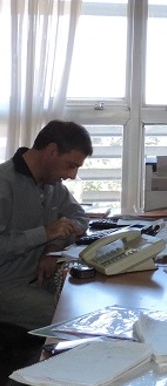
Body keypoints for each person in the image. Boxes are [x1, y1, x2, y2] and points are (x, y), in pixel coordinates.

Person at [0, 120, 92, 330]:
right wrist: (44, 234)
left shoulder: (53, 185)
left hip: (39, 278)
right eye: (71, 165)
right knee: (73, 318)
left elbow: (80, 218)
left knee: (91, 297)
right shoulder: (4, 184)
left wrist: (53, 247)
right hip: (6, 285)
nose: (72, 175)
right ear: (52, 151)